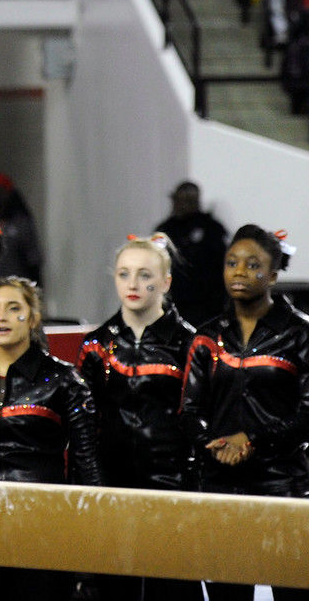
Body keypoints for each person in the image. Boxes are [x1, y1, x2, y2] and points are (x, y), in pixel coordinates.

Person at [0, 277, 101, 600]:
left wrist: (88, 537)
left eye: (14, 309)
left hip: (42, 523)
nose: (2, 317)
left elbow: (86, 463)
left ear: (33, 317)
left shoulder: (66, 382)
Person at [181, 225, 309, 601]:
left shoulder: (301, 335)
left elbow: (307, 416)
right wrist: (213, 442)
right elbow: (188, 410)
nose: (239, 271)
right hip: (221, 485)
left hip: (282, 485)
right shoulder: (207, 337)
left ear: (272, 274)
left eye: (252, 265)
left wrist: (253, 439)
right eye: (231, 263)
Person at [79, 235, 202, 601]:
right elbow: (84, 426)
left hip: (173, 482)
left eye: (144, 274)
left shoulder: (190, 343)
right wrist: (90, 485)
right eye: (124, 273)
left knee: (173, 586)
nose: (132, 284)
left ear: (165, 281)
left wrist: (194, 484)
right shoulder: (96, 344)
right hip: (112, 482)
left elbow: (197, 418)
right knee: (116, 585)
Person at [155, 181, 230, 328]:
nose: (183, 204)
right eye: (180, 200)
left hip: (208, 306)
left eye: (188, 200)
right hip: (174, 303)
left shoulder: (211, 228)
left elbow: (222, 264)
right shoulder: (165, 230)